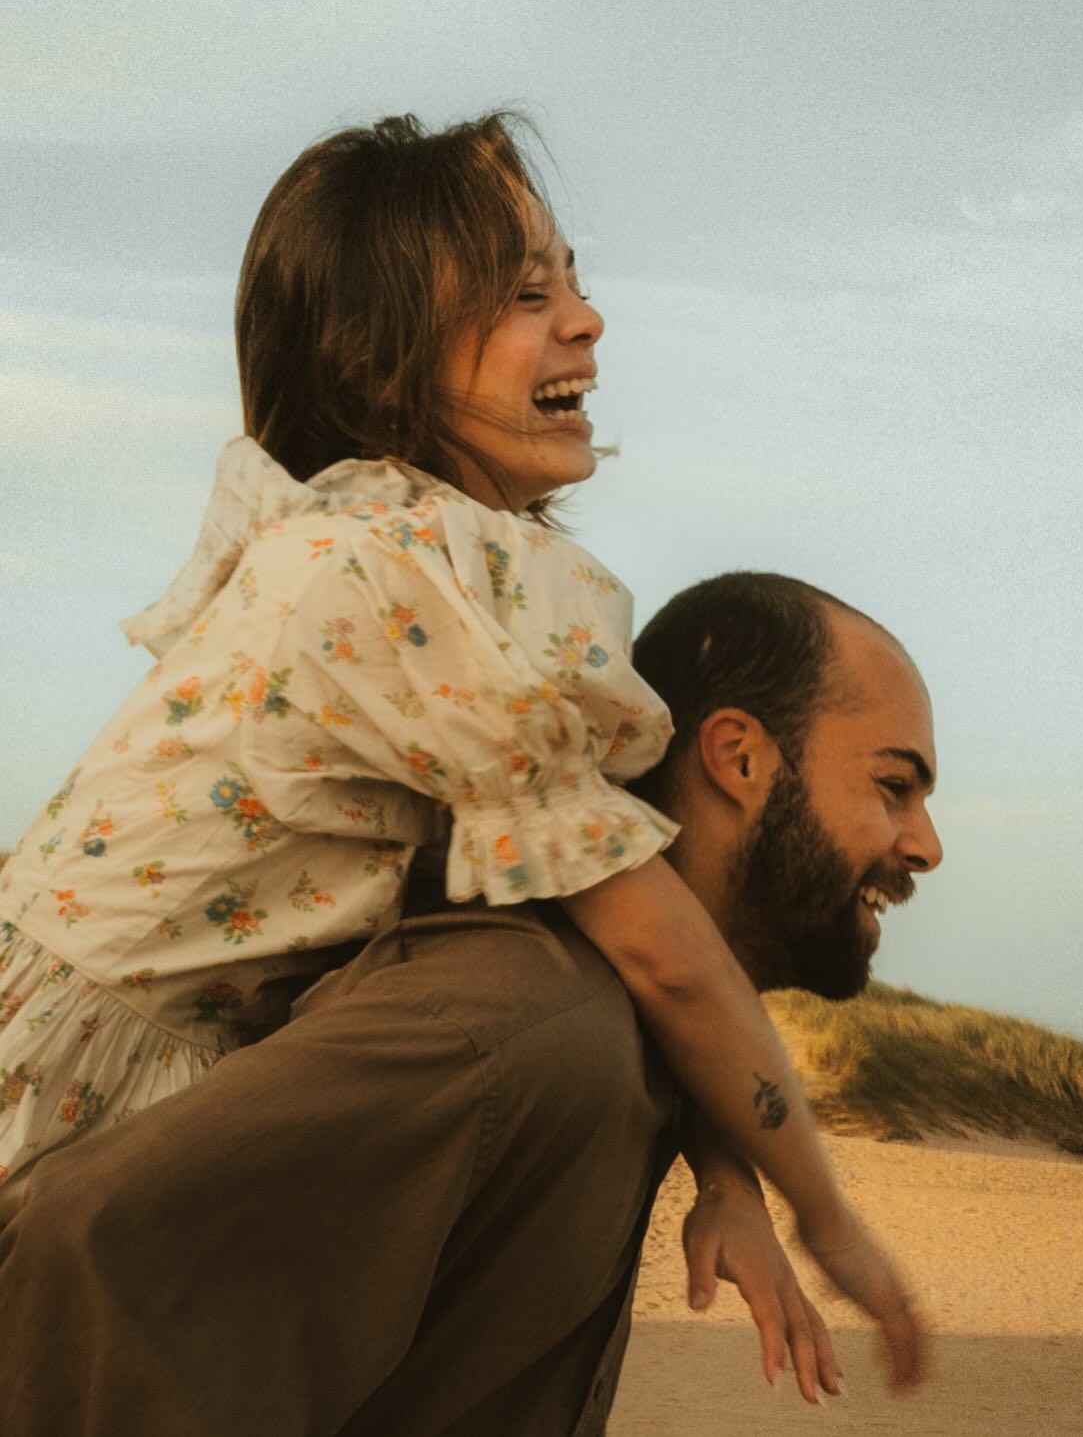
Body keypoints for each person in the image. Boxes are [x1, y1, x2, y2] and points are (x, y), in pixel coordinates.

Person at [0, 113, 908, 1334]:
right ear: (380, 367)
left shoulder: (450, 571)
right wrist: (827, 1215)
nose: (583, 320)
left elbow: (618, 916)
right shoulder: (382, 572)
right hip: (51, 1072)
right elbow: (661, 952)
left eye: (574, 279)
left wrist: (725, 1172)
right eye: (524, 294)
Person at [0, 571, 942, 1437]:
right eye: (893, 787)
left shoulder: (618, 1030)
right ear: (738, 757)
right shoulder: (512, 1030)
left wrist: (728, 1172)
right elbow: (87, 1236)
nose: (926, 844)